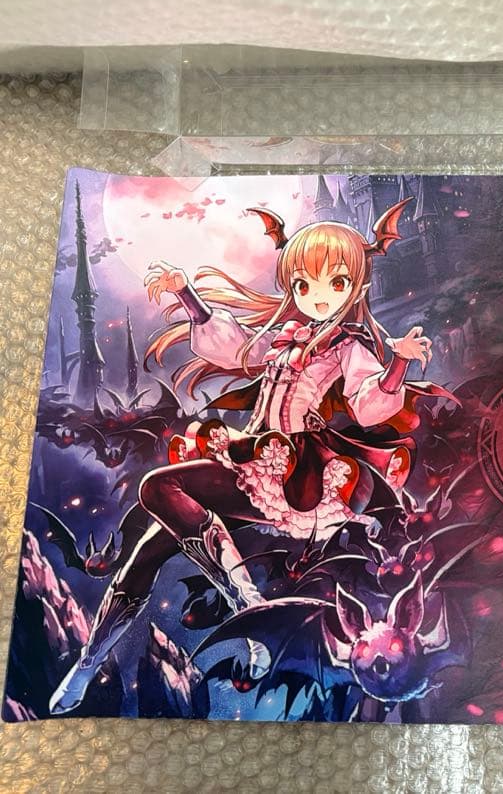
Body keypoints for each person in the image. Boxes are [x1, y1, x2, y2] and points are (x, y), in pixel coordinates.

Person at [50, 200, 443, 714]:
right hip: (247, 456)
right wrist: (186, 293)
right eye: (304, 284)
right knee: (143, 558)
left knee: (156, 487)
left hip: (290, 471)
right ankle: (86, 665)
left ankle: (245, 600)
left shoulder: (349, 346)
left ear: (355, 286)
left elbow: (369, 406)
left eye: (335, 283)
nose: (317, 296)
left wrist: (398, 363)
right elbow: (235, 349)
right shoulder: (284, 338)